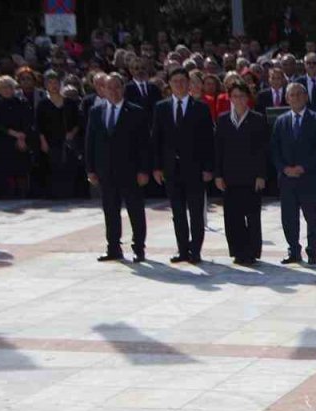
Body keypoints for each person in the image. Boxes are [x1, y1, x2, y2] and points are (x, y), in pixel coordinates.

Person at [85, 73, 151, 262]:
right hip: (105, 171)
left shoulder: (136, 111)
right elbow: (90, 142)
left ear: (123, 88)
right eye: (109, 87)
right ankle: (113, 247)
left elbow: (144, 144)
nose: (113, 91)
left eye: (117, 87)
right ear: (102, 89)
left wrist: (144, 170)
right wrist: (90, 169)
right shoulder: (95, 111)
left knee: (135, 210)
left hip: (131, 171)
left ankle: (139, 248)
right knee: (110, 210)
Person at [153, 68, 214, 264]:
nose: (179, 84)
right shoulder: (161, 108)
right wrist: (156, 167)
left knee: (196, 212)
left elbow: (208, 141)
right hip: (171, 169)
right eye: (175, 81)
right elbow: (156, 139)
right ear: (169, 84)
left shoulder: (200, 108)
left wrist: (208, 168)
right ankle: (183, 250)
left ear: (189, 83)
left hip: (195, 169)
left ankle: (195, 250)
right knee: (178, 213)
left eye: (182, 81)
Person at [270, 83, 316, 265]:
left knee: (311, 217)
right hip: (287, 179)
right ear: (287, 99)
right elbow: (274, 149)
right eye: (292, 95)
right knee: (289, 217)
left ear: (306, 97)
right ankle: (293, 250)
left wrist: (303, 167)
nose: (295, 98)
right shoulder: (281, 121)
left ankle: (313, 251)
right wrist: (284, 168)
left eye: (299, 94)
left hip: (308, 177)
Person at [213, 82, 268, 265]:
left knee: (252, 216)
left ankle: (252, 251)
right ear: (230, 98)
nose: (238, 100)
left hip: (251, 177)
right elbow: (218, 150)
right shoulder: (223, 120)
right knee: (232, 216)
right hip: (230, 176)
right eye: (235, 96)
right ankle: (238, 251)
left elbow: (262, 150)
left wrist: (261, 175)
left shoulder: (257, 119)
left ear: (248, 98)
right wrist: (218, 175)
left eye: (242, 96)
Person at [35, 70, 82, 199]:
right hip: (51, 140)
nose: (53, 86)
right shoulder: (42, 104)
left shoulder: (69, 103)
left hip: (67, 140)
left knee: (68, 166)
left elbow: (78, 121)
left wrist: (72, 133)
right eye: (50, 83)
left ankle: (69, 194)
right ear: (45, 85)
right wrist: (43, 141)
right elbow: (39, 125)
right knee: (53, 167)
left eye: (56, 83)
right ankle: (55, 195)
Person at [0, 76, 34, 198]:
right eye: (3, 87)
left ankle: (23, 194)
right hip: (3, 141)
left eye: (9, 87)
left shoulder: (22, 102)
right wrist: (14, 134)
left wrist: (22, 137)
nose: (7, 90)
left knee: (21, 169)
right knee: (4, 169)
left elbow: (28, 121)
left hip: (21, 140)